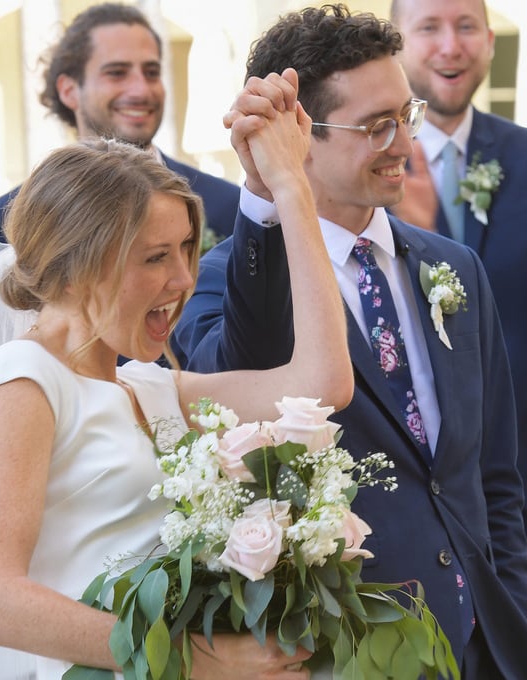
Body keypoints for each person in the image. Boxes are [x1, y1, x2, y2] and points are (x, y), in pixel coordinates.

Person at [170, 4, 527, 678]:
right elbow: (232, 386)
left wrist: (510, 614)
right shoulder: (227, 280)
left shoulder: (454, 267)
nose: (404, 144)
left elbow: (495, 478)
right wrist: (265, 191)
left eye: (406, 115)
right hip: (347, 650)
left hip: (486, 645)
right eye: (376, 127)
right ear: (299, 134)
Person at [0, 71, 353, 679]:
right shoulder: (23, 383)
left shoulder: (151, 391)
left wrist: (290, 185)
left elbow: (323, 384)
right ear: (75, 268)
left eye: (186, 250)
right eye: (156, 257)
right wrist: (188, 659)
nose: (184, 281)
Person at [388, 0, 527, 524]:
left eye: (466, 27)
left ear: (490, 40)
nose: (451, 46)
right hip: (410, 485)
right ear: (395, 45)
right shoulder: (357, 168)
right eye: (429, 28)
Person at [0, 2, 239, 250]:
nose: (141, 89)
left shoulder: (229, 209)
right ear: (69, 90)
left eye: (151, 72)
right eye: (117, 72)